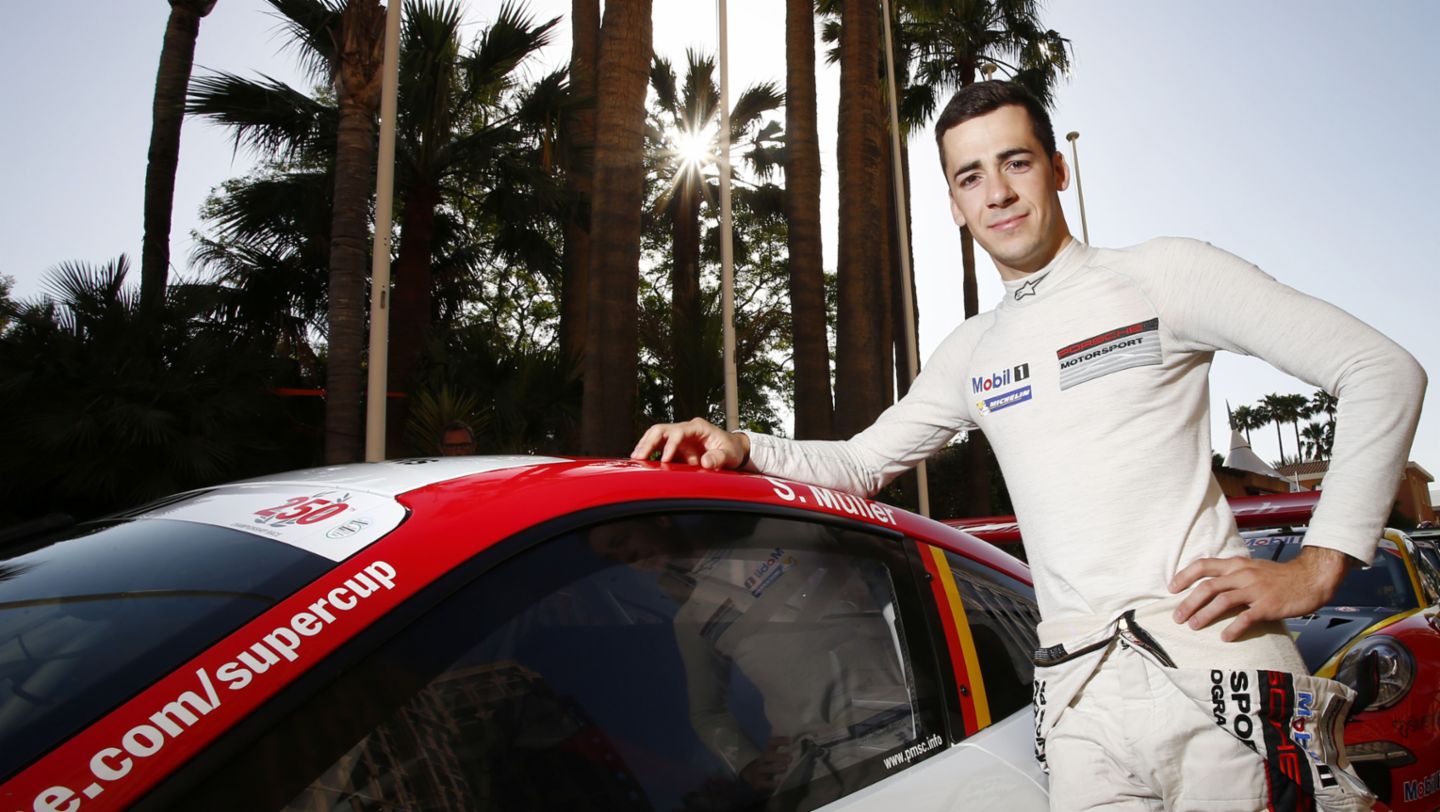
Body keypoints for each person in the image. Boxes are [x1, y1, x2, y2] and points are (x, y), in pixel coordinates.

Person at [631, 81, 1427, 810]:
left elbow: (1381, 371)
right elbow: (859, 464)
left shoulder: (1163, 274)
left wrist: (1319, 566)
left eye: (1015, 162)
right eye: (971, 176)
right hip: (1078, 704)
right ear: (953, 204)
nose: (999, 193)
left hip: (1217, 672)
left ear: (1056, 169)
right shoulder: (972, 351)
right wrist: (740, 443)